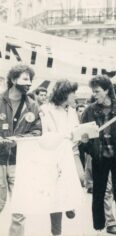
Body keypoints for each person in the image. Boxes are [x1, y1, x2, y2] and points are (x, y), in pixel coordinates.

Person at [80, 75, 116, 236]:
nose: (95, 94)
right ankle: (99, 228)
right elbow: (82, 136)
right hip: (100, 158)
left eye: (97, 91)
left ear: (107, 90)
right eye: (93, 91)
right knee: (98, 195)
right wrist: (91, 148)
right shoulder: (89, 110)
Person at [39, 80, 87, 236]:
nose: (76, 96)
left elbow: (75, 130)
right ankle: (56, 231)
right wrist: (66, 136)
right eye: (74, 93)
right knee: (56, 195)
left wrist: (82, 135)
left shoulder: (72, 111)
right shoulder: (46, 110)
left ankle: (69, 204)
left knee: (80, 179)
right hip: (54, 156)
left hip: (71, 152)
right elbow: (44, 134)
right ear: (65, 93)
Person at [0, 64, 42, 236]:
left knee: (20, 209)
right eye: (25, 79)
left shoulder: (32, 105)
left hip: (20, 162)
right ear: (13, 79)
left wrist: (19, 140)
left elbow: (37, 131)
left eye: (30, 79)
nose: (29, 83)